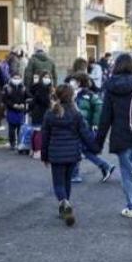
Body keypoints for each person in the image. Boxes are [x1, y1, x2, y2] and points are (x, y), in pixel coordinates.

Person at [96, 53, 132, 228]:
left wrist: (98, 142)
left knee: (128, 174)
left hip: (122, 136)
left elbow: (105, 117)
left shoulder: (111, 87)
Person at [41, 84, 100, 227]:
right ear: (72, 96)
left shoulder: (50, 114)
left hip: (56, 153)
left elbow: (45, 136)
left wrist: (44, 155)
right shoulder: (76, 114)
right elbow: (85, 134)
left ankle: (64, 203)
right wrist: (95, 147)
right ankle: (65, 206)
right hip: (73, 153)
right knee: (67, 181)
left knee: (58, 183)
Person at [69, 72, 115, 183]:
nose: (71, 83)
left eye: (74, 81)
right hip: (77, 126)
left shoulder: (88, 95)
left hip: (84, 126)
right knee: (83, 150)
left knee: (78, 149)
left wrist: (95, 123)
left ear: (79, 82)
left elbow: (98, 107)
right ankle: (105, 166)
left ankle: (75, 174)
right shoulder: (72, 93)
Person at [3, 73, 27, 150]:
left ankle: (19, 143)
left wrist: (24, 104)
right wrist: (13, 105)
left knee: (20, 129)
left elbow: (28, 97)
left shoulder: (23, 88)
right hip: (11, 110)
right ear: (11, 78)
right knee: (11, 129)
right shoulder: (7, 88)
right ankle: (12, 143)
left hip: (20, 111)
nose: (16, 80)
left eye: (18, 78)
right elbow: (5, 99)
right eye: (15, 78)